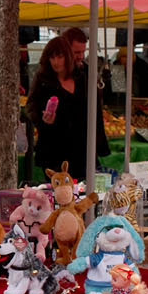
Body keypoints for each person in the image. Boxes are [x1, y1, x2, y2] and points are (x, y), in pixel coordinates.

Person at [25, 26, 108, 184]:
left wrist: (98, 144)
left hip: (82, 148)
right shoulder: (44, 79)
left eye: (82, 52)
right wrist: (42, 120)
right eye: (76, 52)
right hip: (54, 149)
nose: (80, 57)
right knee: (60, 194)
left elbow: (96, 111)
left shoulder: (85, 75)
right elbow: (31, 107)